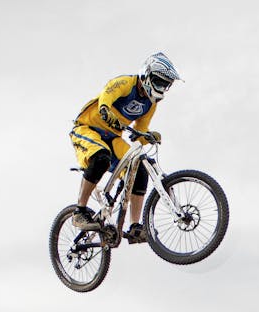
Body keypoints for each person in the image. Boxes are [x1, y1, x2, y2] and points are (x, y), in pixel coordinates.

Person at [69, 52, 181, 244]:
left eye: (165, 85)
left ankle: (136, 227)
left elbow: (139, 131)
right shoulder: (126, 83)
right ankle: (79, 211)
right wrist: (104, 109)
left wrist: (148, 136)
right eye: (159, 82)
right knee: (101, 157)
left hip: (113, 137)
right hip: (88, 128)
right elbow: (107, 94)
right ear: (147, 75)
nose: (161, 88)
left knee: (140, 168)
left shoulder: (150, 104)